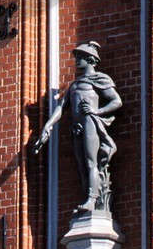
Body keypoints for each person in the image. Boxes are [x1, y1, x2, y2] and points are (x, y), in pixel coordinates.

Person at [34, 42, 122, 213]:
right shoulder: (75, 84)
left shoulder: (100, 79)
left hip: (90, 123)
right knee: (82, 166)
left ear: (91, 60)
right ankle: (88, 197)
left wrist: (97, 111)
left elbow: (116, 101)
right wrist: (48, 125)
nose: (76, 60)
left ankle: (92, 198)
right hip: (77, 127)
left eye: (80, 57)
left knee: (91, 162)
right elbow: (61, 107)